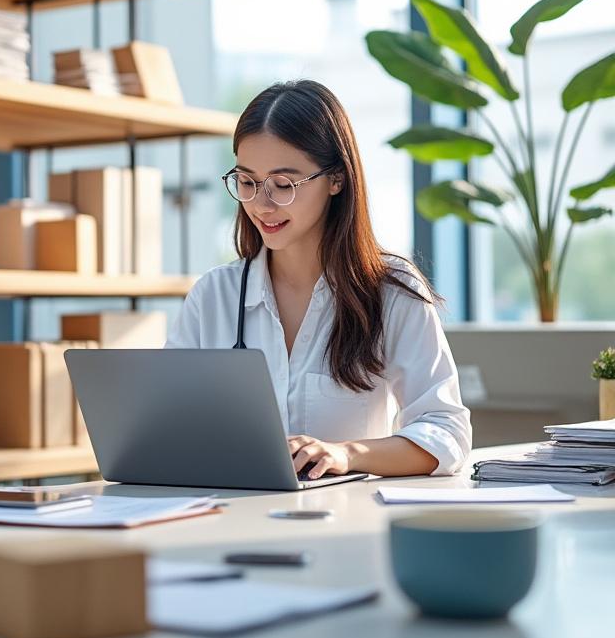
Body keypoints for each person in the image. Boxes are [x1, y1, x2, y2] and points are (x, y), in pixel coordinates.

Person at [166, 80, 472, 480]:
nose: (262, 204)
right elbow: (169, 430)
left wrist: (347, 454)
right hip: (232, 519)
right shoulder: (213, 296)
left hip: (346, 527)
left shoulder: (393, 291)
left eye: (283, 184)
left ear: (336, 179)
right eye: (247, 182)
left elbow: (447, 433)